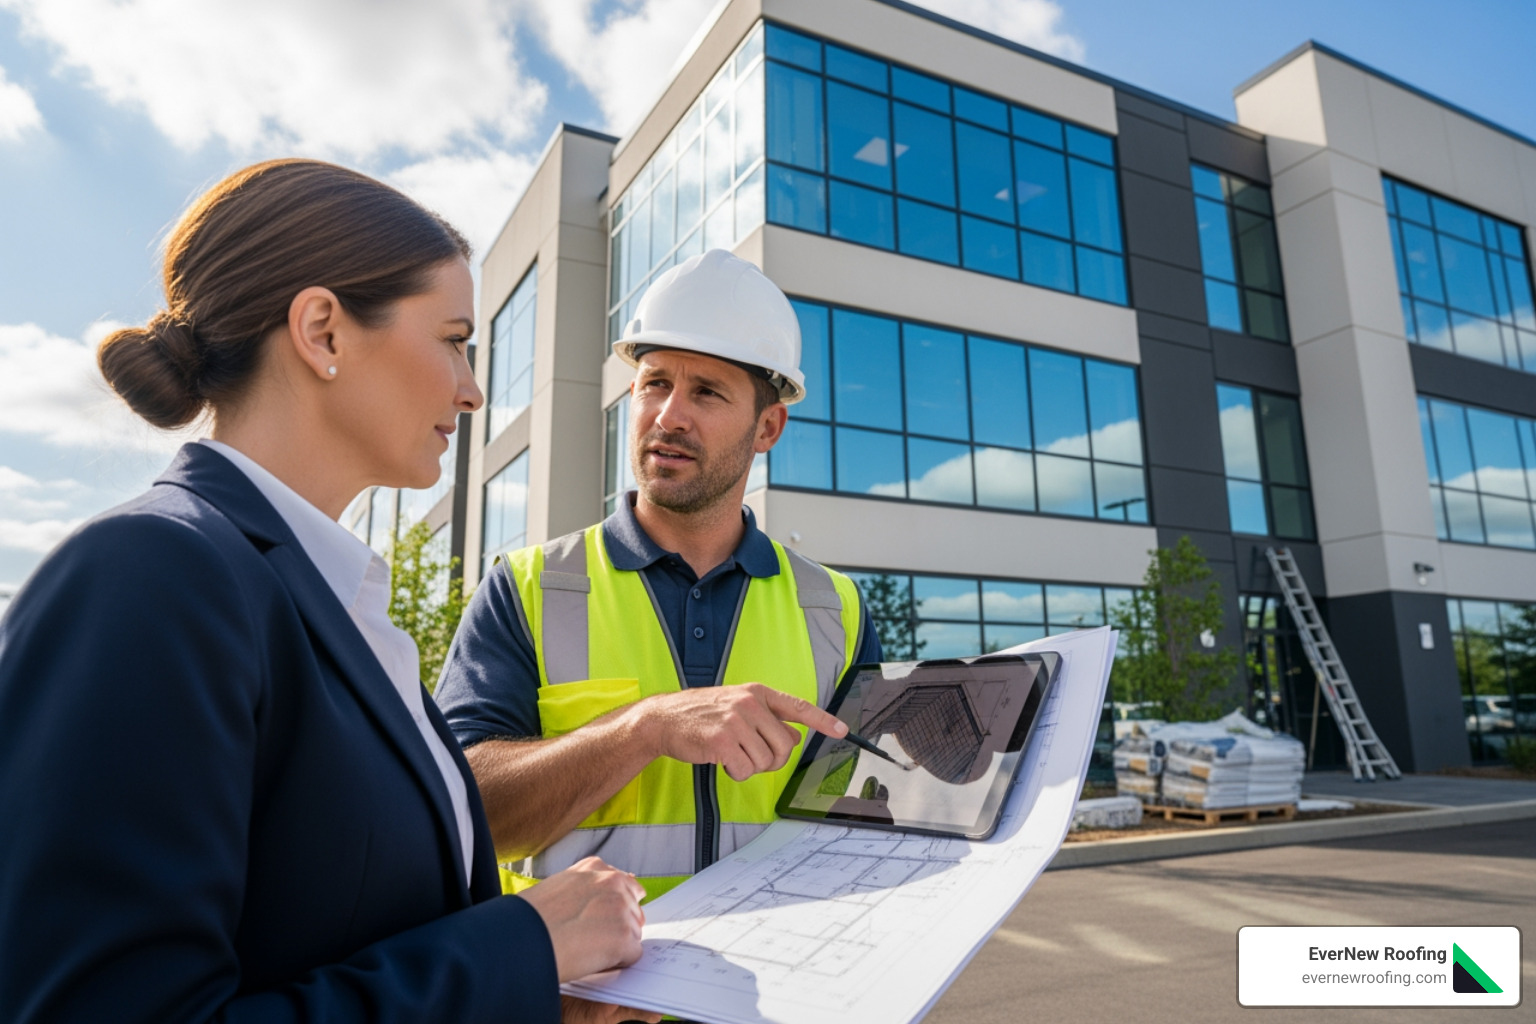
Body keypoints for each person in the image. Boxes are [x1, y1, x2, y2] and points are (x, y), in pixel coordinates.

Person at [0, 159, 655, 1024]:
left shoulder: (337, 605)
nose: (471, 388)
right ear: (323, 332)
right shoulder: (150, 573)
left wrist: (536, 993)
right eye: (454, 338)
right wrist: (517, 950)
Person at [436, 249, 882, 904]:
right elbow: (461, 814)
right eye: (654, 383)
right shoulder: (528, 587)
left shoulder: (835, 607)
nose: (669, 414)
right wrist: (641, 729)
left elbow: (868, 821)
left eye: (706, 392)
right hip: (584, 999)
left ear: (768, 426)